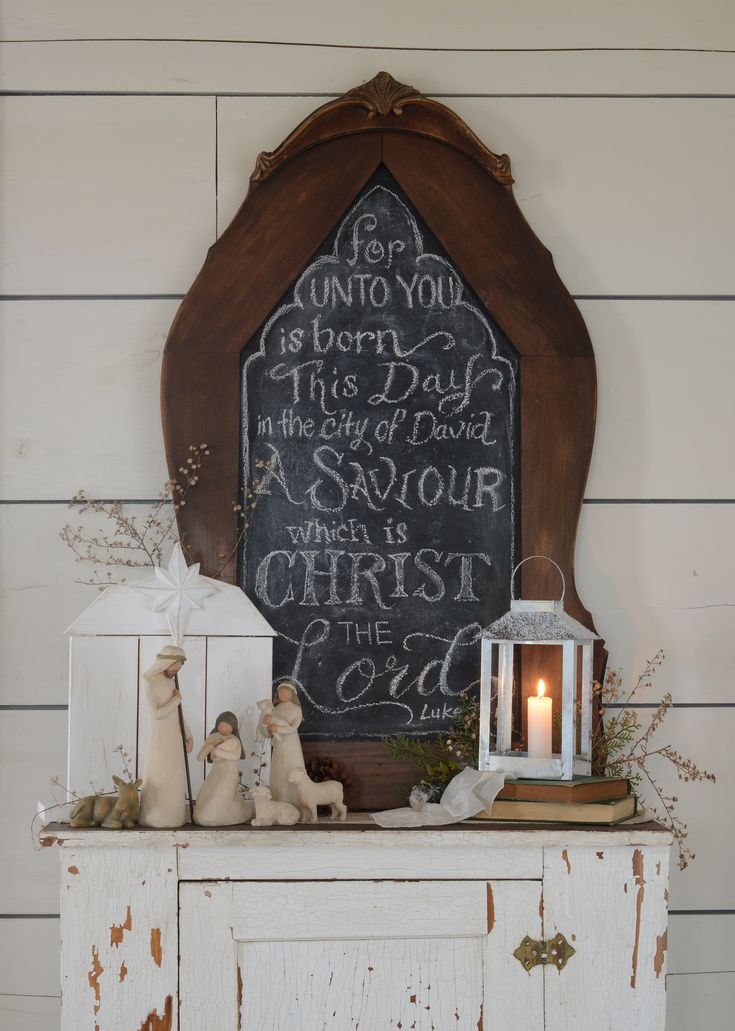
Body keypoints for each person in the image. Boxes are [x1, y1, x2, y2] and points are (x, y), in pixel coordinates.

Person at [138, 645, 193, 828]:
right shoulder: (149, 680)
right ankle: (155, 816)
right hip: (159, 740)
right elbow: (156, 714)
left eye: (179, 669)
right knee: (160, 775)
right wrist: (176, 699)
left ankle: (174, 816)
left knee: (173, 778)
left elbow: (177, 714)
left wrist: (188, 735)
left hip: (174, 739)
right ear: (166, 662)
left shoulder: (170, 681)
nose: (176, 672)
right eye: (175, 667)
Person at [193, 711, 253, 826]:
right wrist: (211, 745)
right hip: (215, 775)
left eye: (228, 726)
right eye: (222, 725)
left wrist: (217, 751)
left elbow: (235, 756)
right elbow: (200, 757)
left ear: (233, 728)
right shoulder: (212, 737)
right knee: (205, 802)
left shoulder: (234, 740)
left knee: (219, 799)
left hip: (228, 776)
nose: (224, 729)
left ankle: (237, 813)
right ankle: (212, 815)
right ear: (217, 725)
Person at [258, 680, 305, 806]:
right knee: (279, 771)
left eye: (286, 692)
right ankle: (279, 801)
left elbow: (293, 727)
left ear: (292, 694)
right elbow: (267, 733)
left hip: (290, 745)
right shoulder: (275, 709)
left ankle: (294, 801)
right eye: (280, 692)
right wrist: (264, 721)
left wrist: (279, 729)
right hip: (278, 747)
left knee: (290, 767)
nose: (283, 694)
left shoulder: (296, 710)